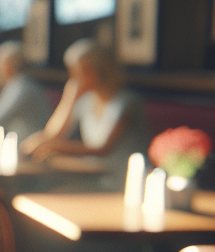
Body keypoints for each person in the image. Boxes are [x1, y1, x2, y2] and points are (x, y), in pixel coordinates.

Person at [21, 39, 147, 178]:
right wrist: (69, 98)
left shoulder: (126, 102)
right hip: (95, 176)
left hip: (125, 180)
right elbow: (53, 134)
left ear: (100, 70)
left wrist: (54, 146)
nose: (75, 78)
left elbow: (103, 149)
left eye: (80, 72)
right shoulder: (85, 101)